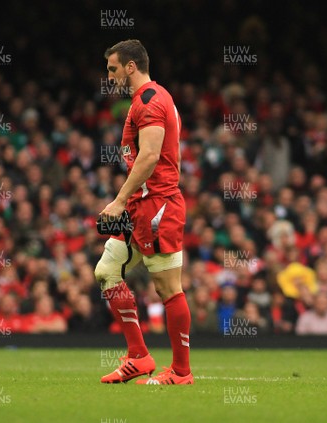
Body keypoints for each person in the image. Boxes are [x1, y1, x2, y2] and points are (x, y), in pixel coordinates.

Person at [95, 40, 192, 385]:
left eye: (113, 68)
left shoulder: (151, 101)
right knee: (107, 271)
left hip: (158, 206)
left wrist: (119, 200)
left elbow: (149, 156)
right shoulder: (149, 99)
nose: (110, 76)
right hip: (141, 204)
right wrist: (127, 201)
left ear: (131, 66)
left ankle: (181, 371)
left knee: (168, 289)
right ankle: (139, 357)